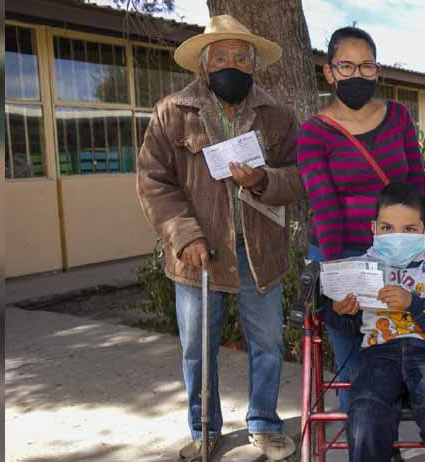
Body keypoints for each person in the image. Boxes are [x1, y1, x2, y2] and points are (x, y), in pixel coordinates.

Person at [136, 15, 303, 462]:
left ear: (254, 64)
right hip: (199, 255)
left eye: (241, 58)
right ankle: (204, 429)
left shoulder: (279, 116)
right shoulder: (172, 113)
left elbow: (299, 177)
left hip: (258, 253)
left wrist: (263, 180)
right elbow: (153, 182)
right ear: (205, 64)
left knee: (268, 344)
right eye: (222, 57)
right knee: (197, 348)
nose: (233, 65)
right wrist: (185, 235)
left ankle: (264, 423)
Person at [297, 26, 425, 419]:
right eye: (346, 66)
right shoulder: (314, 131)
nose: (357, 74)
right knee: (354, 361)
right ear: (329, 72)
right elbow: (324, 205)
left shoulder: (398, 117)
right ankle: (364, 437)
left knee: (402, 346)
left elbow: (416, 182)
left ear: (377, 70)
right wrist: (338, 277)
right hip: (341, 253)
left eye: (366, 66)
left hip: (399, 252)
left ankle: (391, 428)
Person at [323, 182, 425, 462]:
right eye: (387, 228)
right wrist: (340, 310)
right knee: (365, 415)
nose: (397, 237)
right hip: (378, 356)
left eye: (409, 229)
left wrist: (414, 304)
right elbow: (346, 325)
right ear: (374, 228)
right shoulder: (360, 268)